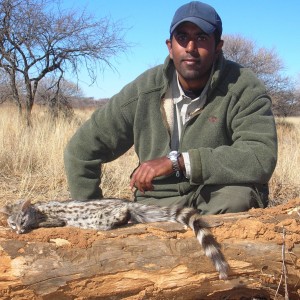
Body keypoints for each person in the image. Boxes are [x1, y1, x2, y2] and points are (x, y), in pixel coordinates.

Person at [64, 1, 278, 214]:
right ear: (170, 46)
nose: (190, 47)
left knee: (237, 198)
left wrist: (181, 161)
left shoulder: (244, 86)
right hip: (159, 201)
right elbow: (80, 150)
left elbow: (260, 156)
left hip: (216, 195)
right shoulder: (143, 89)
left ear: (218, 47)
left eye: (201, 38)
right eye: (182, 37)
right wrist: (91, 213)